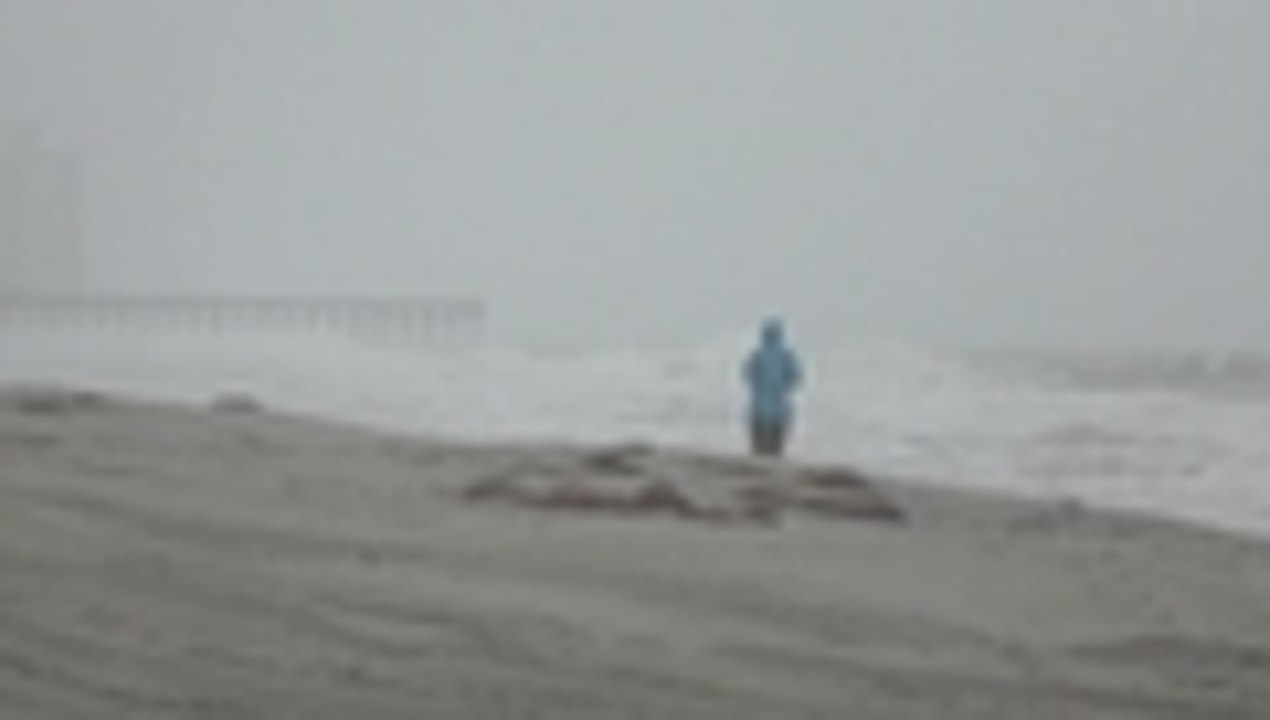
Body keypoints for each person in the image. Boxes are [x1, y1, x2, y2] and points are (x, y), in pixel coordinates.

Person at [742, 318, 803, 457]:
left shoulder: (757, 355)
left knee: (758, 451)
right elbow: (796, 378)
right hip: (779, 410)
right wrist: (782, 388)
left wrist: (758, 388)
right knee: (776, 450)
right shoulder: (786, 356)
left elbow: (747, 375)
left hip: (758, 409)